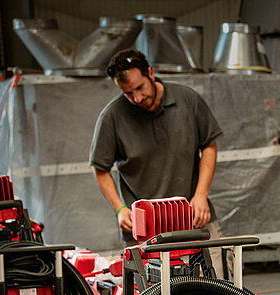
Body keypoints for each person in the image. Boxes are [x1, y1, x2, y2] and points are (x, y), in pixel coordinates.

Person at [89, 49, 225, 276]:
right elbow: (100, 169)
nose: (137, 99)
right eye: (128, 93)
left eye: (140, 88)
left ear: (150, 73)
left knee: (216, 289)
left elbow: (209, 145)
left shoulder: (188, 100)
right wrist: (119, 209)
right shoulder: (112, 116)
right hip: (143, 229)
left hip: (193, 217)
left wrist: (201, 194)